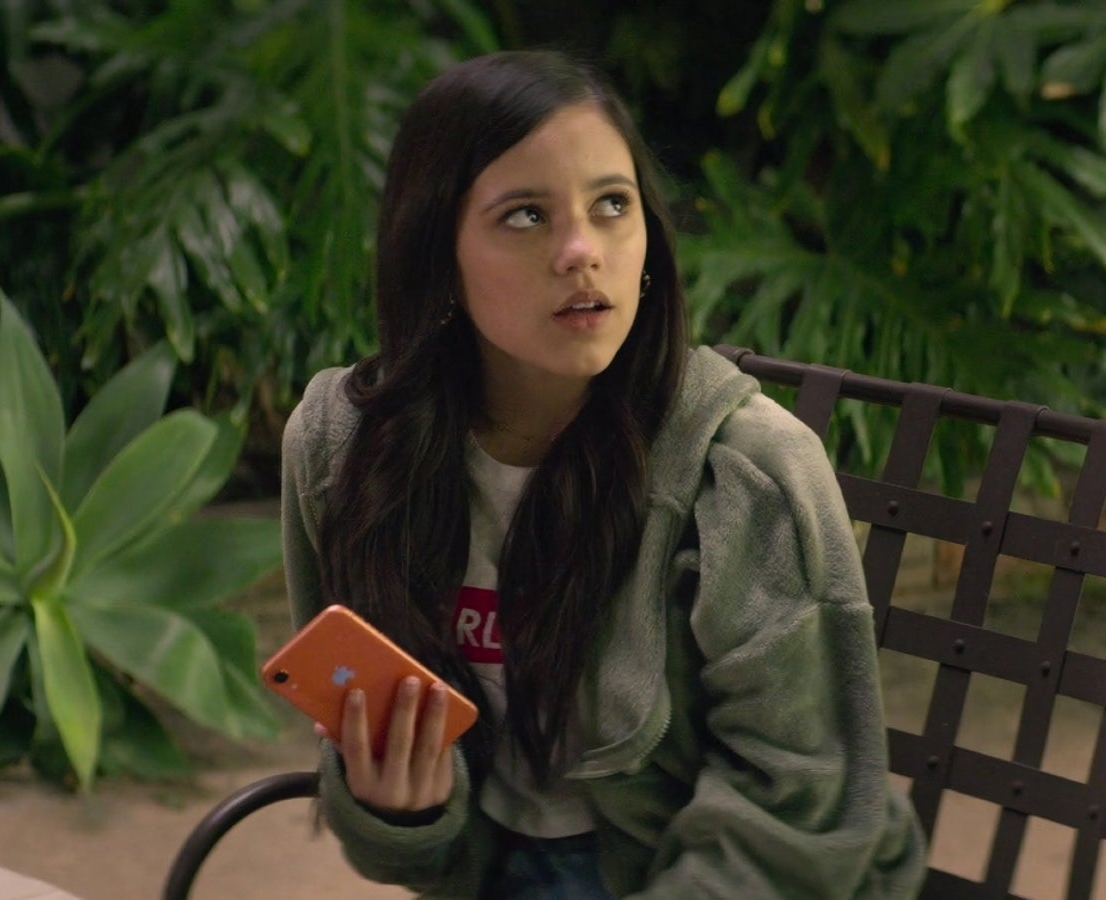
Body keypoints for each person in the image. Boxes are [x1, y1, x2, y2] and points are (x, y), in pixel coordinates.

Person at [279, 49, 926, 899]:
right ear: (437, 253)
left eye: (612, 205)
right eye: (525, 216)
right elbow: (387, 797)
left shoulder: (744, 471)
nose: (582, 251)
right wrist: (401, 813)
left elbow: (799, 810)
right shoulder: (347, 450)